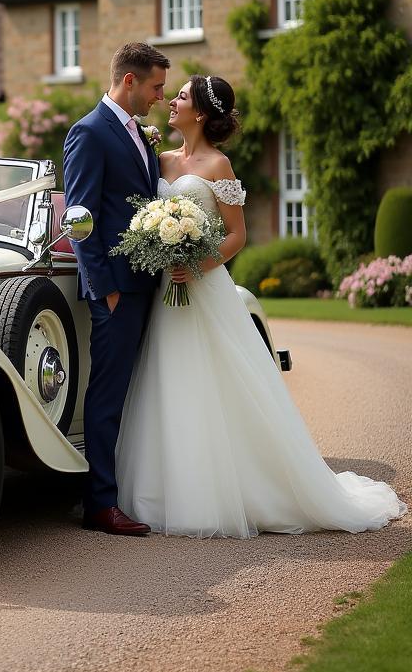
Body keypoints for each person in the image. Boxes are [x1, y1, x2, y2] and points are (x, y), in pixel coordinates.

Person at [116, 75, 407, 537]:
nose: (172, 101)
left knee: (219, 383)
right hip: (164, 295)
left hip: (202, 287)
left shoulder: (219, 166)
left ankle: (244, 491)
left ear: (203, 114)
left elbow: (236, 235)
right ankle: (166, 490)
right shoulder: (159, 159)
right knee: (169, 380)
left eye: (183, 97)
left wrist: (196, 266)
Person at [63, 41, 170, 535]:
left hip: (147, 285)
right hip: (116, 292)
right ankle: (100, 504)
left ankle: (125, 487)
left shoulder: (137, 134)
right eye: (154, 87)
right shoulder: (89, 132)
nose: (158, 97)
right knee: (106, 395)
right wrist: (104, 289)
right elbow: (80, 217)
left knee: (135, 390)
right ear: (129, 81)